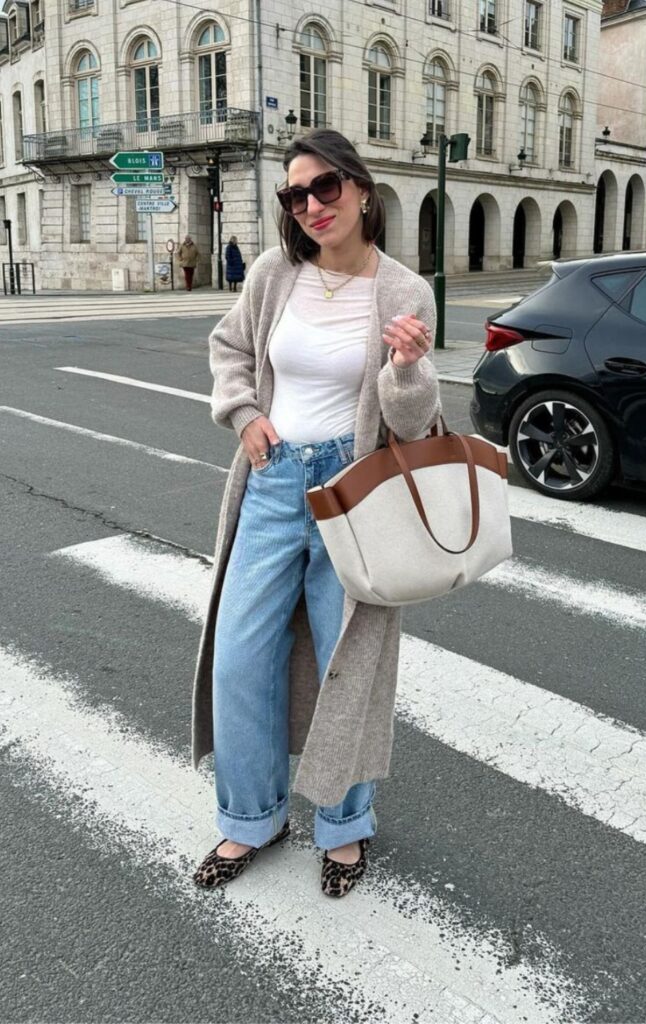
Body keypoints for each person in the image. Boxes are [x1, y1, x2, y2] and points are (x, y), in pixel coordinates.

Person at [191, 128, 441, 898]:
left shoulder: (403, 292)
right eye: (294, 195)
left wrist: (406, 369)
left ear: (360, 189)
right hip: (271, 480)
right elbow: (229, 349)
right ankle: (251, 817)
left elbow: (411, 425)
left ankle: (343, 828)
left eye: (323, 187)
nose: (310, 206)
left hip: (352, 491)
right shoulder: (274, 274)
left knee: (345, 663)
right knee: (239, 656)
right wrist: (242, 414)